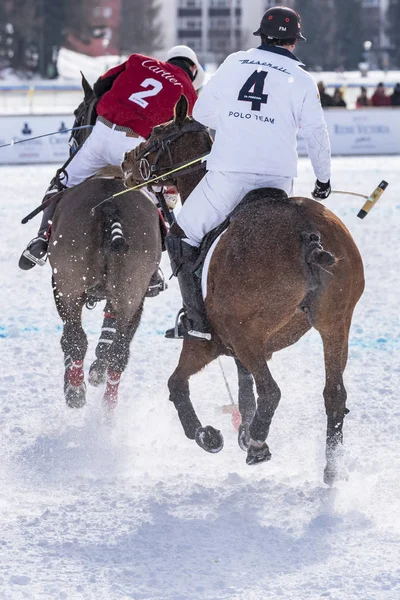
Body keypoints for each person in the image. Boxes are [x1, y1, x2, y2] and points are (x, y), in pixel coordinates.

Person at [165, 5, 332, 341]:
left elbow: (203, 113)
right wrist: (323, 180)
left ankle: (196, 323)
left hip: (229, 175)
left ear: (262, 36)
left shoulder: (234, 62)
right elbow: (316, 134)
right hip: (277, 180)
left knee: (180, 236)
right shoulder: (301, 78)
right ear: (293, 42)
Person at [19, 45, 205, 273]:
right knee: (158, 198)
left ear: (168, 59)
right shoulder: (189, 92)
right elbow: (181, 136)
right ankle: (154, 268)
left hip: (101, 133)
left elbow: (99, 86)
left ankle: (41, 239)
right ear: (194, 69)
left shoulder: (139, 60)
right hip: (134, 145)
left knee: (63, 182)